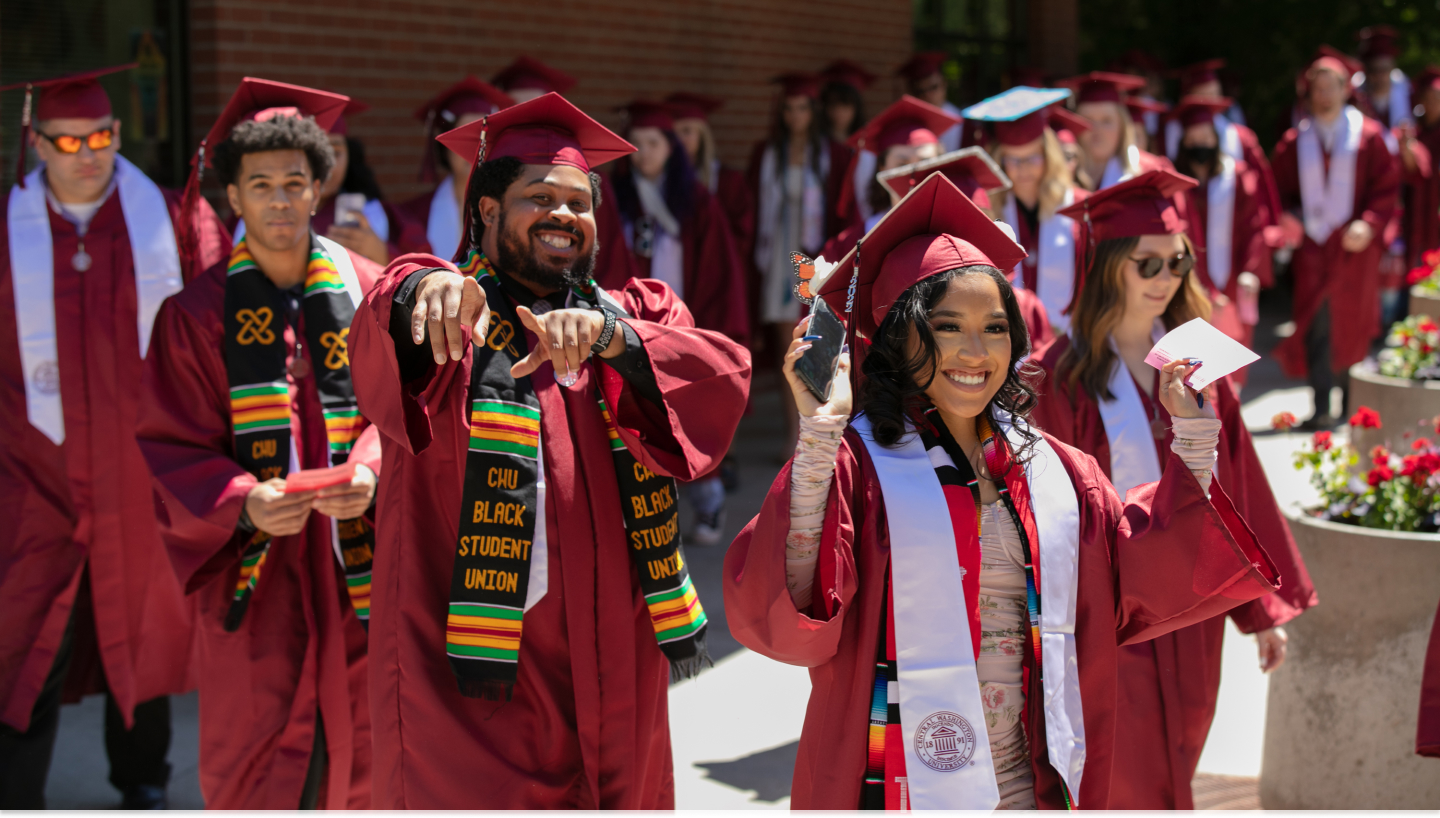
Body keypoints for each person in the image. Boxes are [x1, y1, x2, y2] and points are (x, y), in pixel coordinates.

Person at [722, 171, 1282, 809]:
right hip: (893, 781)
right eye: (947, 326)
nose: (975, 350)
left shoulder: (1056, 472)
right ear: (899, 337)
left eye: (994, 327)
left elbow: (1142, 568)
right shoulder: (861, 467)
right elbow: (790, 612)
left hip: (1029, 781)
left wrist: (1193, 439)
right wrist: (819, 437)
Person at [347, 92, 750, 808]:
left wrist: (615, 340)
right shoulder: (450, 328)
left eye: (579, 201)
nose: (565, 214)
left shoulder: (634, 317)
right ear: (488, 214)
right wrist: (420, 288)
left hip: (618, 674)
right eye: (540, 197)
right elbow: (384, 317)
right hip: (476, 691)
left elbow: (716, 375)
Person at [1030, 170, 1316, 809]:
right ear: (1107, 266)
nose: (1166, 277)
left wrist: (1260, 612)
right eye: (1148, 263)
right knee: (1124, 771)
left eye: (1178, 260)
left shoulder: (1196, 363)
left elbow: (1236, 482)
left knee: (1180, 750)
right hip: (1104, 610)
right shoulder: (1061, 373)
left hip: (1189, 604)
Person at [136, 79, 383, 809]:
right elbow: (171, 441)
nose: (280, 200)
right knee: (257, 761)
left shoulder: (367, 293)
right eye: (261, 185)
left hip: (356, 568)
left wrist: (369, 470)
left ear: (320, 189)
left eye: (295, 184)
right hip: (257, 574)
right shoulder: (193, 317)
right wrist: (244, 500)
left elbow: (405, 417)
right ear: (233, 199)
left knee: (365, 758)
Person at [0, 64, 228, 810]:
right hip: (34, 476)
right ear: (37, 143)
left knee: (147, 632)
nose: (85, 152)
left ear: (119, 133)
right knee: (24, 641)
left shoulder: (170, 218)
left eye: (99, 136)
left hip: (141, 474)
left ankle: (144, 786)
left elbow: (214, 325)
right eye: (65, 140)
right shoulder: (5, 228)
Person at [610, 100, 749, 543]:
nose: (645, 153)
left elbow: (717, 269)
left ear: (672, 148)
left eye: (655, 143)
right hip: (630, 325)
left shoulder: (697, 202)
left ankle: (708, 503)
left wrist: (709, 329)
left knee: (687, 413)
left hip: (683, 323)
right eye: (638, 144)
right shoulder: (613, 202)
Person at [1272, 54, 1401, 429]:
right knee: (1316, 324)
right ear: (1308, 93)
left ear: (1347, 90)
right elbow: (1277, 192)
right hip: (1313, 249)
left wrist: (1370, 223)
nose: (1325, 94)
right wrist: (1289, 218)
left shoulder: (1370, 136)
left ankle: (1348, 404)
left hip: (1352, 248)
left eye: (1332, 87)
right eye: (1318, 88)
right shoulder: (1296, 140)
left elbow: (1386, 189)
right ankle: (1321, 404)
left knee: (1351, 323)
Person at [873, 146, 1055, 350]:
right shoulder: (902, 306)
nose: (963, 246)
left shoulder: (1026, 306)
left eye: (980, 223)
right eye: (951, 233)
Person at [748, 72, 842, 453]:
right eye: (788, 109)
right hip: (782, 257)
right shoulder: (770, 154)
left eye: (802, 108)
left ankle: (819, 433)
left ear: (813, 111)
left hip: (816, 256)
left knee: (820, 346)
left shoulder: (830, 156)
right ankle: (793, 436)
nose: (795, 115)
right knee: (793, 347)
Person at [491, 56, 641, 287]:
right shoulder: (491, 172)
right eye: (515, 109)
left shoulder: (584, 177)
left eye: (535, 107)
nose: (527, 117)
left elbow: (611, 257)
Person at [237, 98, 427, 265]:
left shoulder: (378, 214)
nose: (327, 165)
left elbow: (427, 273)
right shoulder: (251, 217)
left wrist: (382, 254)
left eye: (335, 152)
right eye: (317, 155)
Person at [969, 88, 1088, 334]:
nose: (1023, 169)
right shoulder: (989, 211)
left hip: (1069, 338)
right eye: (1013, 160)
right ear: (1000, 161)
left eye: (1032, 158)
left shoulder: (1079, 207)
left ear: (1049, 155)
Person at [1172, 96, 1275, 373]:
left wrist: (1251, 271)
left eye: (1205, 136)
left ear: (1216, 138)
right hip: (1189, 281)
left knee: (1230, 359)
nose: (1199, 144)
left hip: (1231, 280)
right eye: (1192, 139)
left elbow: (1255, 226)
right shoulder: (1174, 180)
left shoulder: (1237, 175)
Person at [394, 77, 515, 261]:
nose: (475, 149)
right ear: (445, 147)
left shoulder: (516, 210)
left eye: (483, 138)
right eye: (464, 138)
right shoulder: (413, 216)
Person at [828, 95, 960, 254]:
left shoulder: (959, 238)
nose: (914, 174)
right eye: (902, 164)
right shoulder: (850, 246)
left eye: (925, 163)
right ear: (882, 169)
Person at [1163, 59, 1283, 221]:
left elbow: (1263, 189)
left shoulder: (1241, 138)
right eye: (1203, 96)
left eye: (1214, 94)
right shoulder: (1167, 137)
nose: (1211, 101)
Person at [665, 91, 755, 258]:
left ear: (702, 136)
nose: (679, 139)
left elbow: (742, 235)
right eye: (673, 133)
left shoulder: (728, 182)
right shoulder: (661, 181)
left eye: (687, 131)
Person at [1058, 72, 1170, 191]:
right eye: (1088, 120)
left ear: (1122, 126)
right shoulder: (1060, 174)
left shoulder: (1151, 172)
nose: (1097, 129)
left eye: (1106, 121)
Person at [896, 52, 965, 151]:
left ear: (944, 84)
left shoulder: (964, 124)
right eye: (920, 91)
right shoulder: (908, 127)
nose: (928, 95)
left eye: (933, 87)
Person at [1353, 26, 1412, 130]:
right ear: (1367, 72)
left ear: (1392, 69)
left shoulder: (1409, 95)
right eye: (1374, 70)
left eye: (1384, 69)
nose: (1379, 75)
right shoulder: (1356, 96)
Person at [819, 59, 874, 142]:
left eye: (845, 105)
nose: (838, 111)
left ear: (856, 107)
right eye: (833, 105)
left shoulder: (866, 141)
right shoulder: (816, 143)